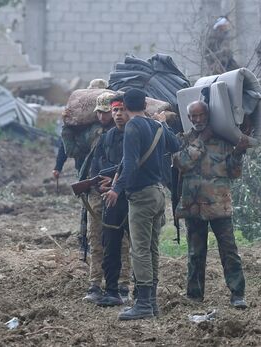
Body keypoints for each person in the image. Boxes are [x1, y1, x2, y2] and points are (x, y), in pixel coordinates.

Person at [103, 88, 180, 320]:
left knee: (139, 250)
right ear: (146, 104)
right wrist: (164, 123)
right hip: (158, 193)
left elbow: (131, 163)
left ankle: (144, 303)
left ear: (125, 107)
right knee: (152, 248)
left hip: (142, 196)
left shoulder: (133, 127)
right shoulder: (157, 126)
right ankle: (152, 302)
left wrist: (116, 189)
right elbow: (176, 145)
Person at [172, 100, 250, 309]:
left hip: (219, 205)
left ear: (208, 115)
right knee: (195, 253)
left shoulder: (223, 140)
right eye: (193, 116)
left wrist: (239, 152)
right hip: (193, 206)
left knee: (229, 251)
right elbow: (182, 163)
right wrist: (201, 141)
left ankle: (237, 294)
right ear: (188, 118)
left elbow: (233, 173)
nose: (198, 120)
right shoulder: (184, 139)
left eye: (201, 115)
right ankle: (194, 296)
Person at [89, 94, 132, 306]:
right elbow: (97, 166)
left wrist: (115, 180)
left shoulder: (137, 135)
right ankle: (111, 290)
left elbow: (134, 165)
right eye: (114, 110)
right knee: (109, 242)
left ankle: (134, 289)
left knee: (134, 244)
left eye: (122, 110)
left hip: (133, 196)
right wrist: (102, 184)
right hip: (111, 198)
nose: (118, 115)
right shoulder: (106, 138)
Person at [81, 91, 116, 304]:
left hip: (116, 190)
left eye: (106, 112)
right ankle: (95, 283)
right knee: (95, 238)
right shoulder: (93, 133)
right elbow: (72, 148)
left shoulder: (124, 133)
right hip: (95, 191)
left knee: (119, 239)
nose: (102, 117)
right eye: (99, 113)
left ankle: (120, 283)